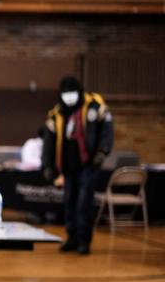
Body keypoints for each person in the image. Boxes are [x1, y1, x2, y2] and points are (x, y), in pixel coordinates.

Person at [41, 76, 113, 255]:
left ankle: (84, 241)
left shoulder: (95, 105)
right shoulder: (56, 112)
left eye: (72, 92)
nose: (69, 96)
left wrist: (101, 153)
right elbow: (48, 142)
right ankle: (72, 237)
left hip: (87, 165)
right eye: (65, 93)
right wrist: (48, 165)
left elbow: (106, 132)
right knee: (69, 203)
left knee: (84, 203)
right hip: (67, 166)